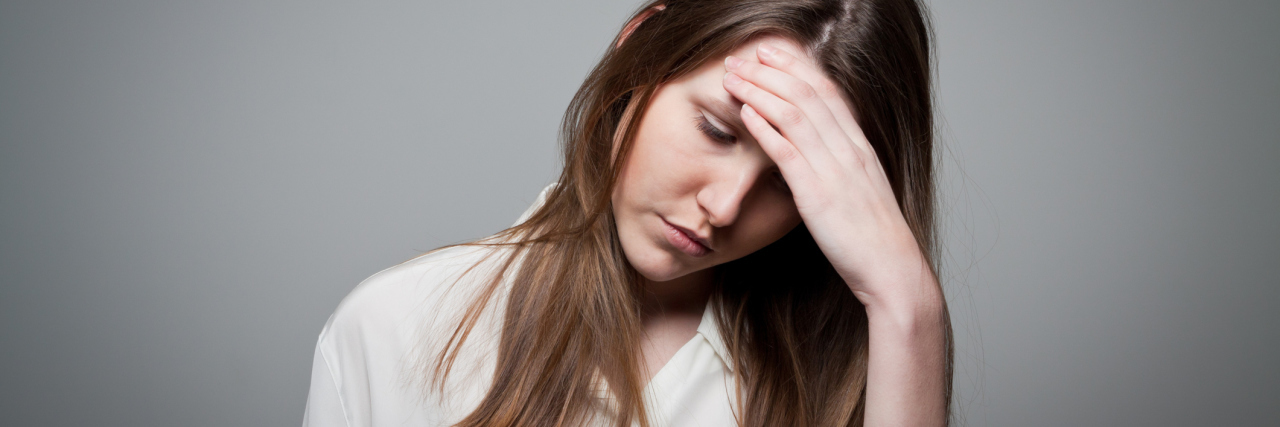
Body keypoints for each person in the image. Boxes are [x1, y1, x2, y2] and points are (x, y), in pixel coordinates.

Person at [302, 0, 951, 426]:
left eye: (789, 183)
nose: (723, 207)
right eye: (717, 130)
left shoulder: (866, 376)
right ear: (637, 49)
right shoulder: (396, 328)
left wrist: (907, 307)